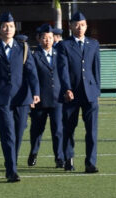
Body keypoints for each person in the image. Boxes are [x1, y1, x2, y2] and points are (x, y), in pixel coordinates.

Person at [0, 12, 39, 182]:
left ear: (15, 28)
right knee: (7, 133)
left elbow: (31, 72)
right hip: (1, 99)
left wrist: (35, 92)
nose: (8, 29)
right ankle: (11, 170)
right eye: (5, 26)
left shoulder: (23, 48)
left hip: (22, 98)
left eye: (11, 26)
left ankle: (12, 162)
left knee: (18, 133)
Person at [58, 11, 101, 173]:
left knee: (92, 130)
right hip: (72, 93)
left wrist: (97, 89)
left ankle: (90, 162)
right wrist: (66, 88)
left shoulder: (93, 44)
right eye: (76, 24)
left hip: (90, 93)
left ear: (86, 26)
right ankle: (68, 159)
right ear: (70, 26)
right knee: (69, 128)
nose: (79, 27)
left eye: (82, 24)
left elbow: (96, 68)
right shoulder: (64, 45)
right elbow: (62, 69)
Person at [28, 24, 68, 168]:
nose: (47, 41)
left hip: (58, 98)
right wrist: (33, 95)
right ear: (39, 39)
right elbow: (32, 77)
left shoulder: (59, 54)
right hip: (40, 99)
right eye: (44, 38)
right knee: (37, 130)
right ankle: (33, 152)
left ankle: (59, 157)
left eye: (50, 38)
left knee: (57, 130)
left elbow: (64, 75)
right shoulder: (34, 56)